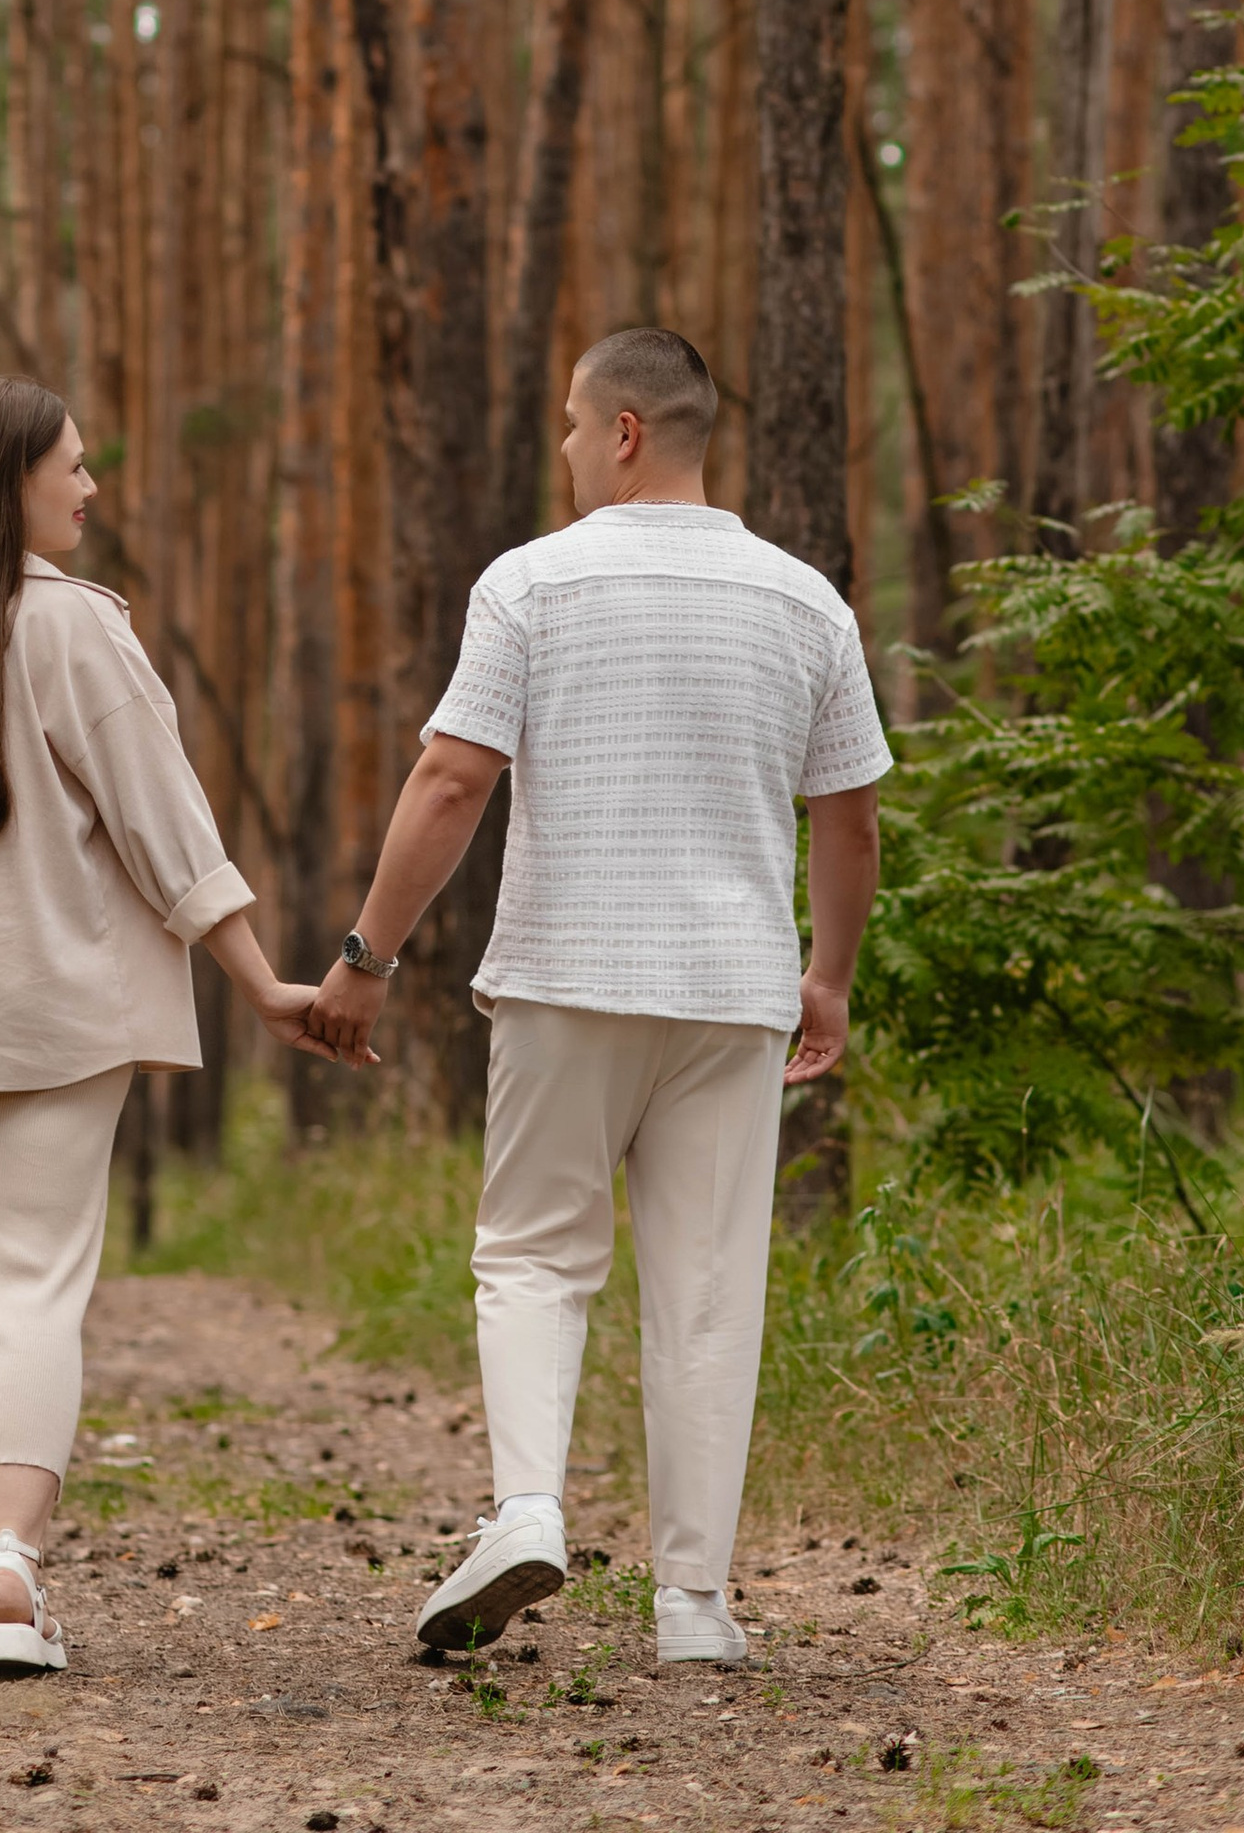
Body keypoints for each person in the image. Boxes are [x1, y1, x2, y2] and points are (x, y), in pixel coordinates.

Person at [305, 325, 889, 1674]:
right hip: (734, 993)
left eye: (573, 426)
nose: (564, 452)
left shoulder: (532, 586)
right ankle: (695, 1606)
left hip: (570, 974)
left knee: (532, 1253)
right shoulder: (807, 602)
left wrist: (367, 956)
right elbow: (850, 820)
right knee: (705, 1289)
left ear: (623, 431)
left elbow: (451, 782)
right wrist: (829, 978)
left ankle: (525, 1508)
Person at [0, 376, 333, 1679]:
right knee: (34, 1286)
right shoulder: (75, 630)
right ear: (13, 484)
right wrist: (263, 980)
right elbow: (169, 829)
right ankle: (11, 1574)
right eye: (75, 469)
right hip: (51, 1017)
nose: (91, 491)